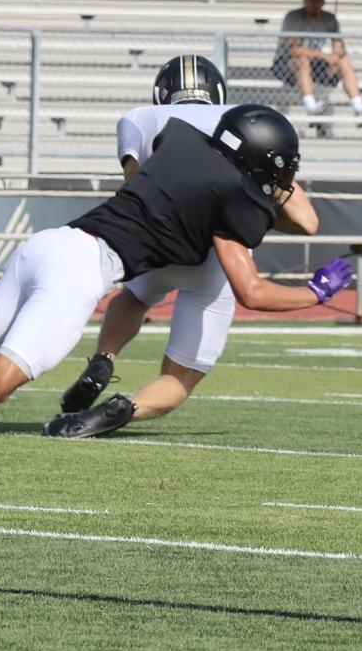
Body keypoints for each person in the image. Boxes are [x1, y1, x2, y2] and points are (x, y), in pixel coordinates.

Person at [0, 106, 352, 439]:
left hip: (48, 244)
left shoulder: (177, 139)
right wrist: (317, 291)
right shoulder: (236, 197)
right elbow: (249, 289)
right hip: (81, 270)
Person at [49, 57, 326, 436]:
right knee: (180, 378)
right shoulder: (244, 118)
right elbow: (306, 221)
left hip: (158, 240)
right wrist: (249, 210)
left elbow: (136, 185)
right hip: (219, 252)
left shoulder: (141, 118)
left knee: (133, 298)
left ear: (163, 92)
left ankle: (103, 358)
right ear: (218, 93)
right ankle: (124, 408)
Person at [279, 0, 362, 119]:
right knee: (302, 60)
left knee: (344, 60)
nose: (315, 3)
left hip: (316, 64)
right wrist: (325, 56)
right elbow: (295, 49)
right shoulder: (293, 17)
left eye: (319, 0)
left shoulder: (329, 18)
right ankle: (310, 105)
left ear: (323, 1)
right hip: (288, 64)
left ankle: (358, 105)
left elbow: (339, 46)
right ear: (305, 0)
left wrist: (335, 57)